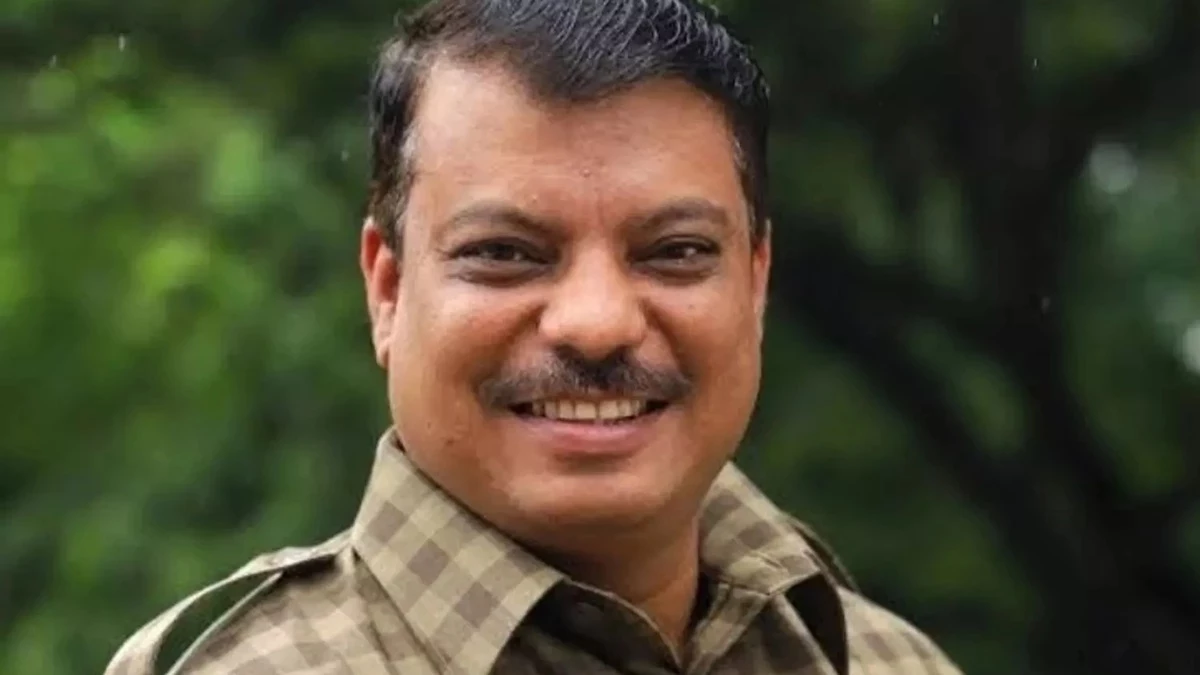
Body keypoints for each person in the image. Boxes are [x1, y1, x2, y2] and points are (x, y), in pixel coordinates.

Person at [105, 1, 963, 673]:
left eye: (674, 251)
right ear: (388, 289)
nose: (597, 323)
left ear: (755, 282)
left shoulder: (888, 662)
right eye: (506, 254)